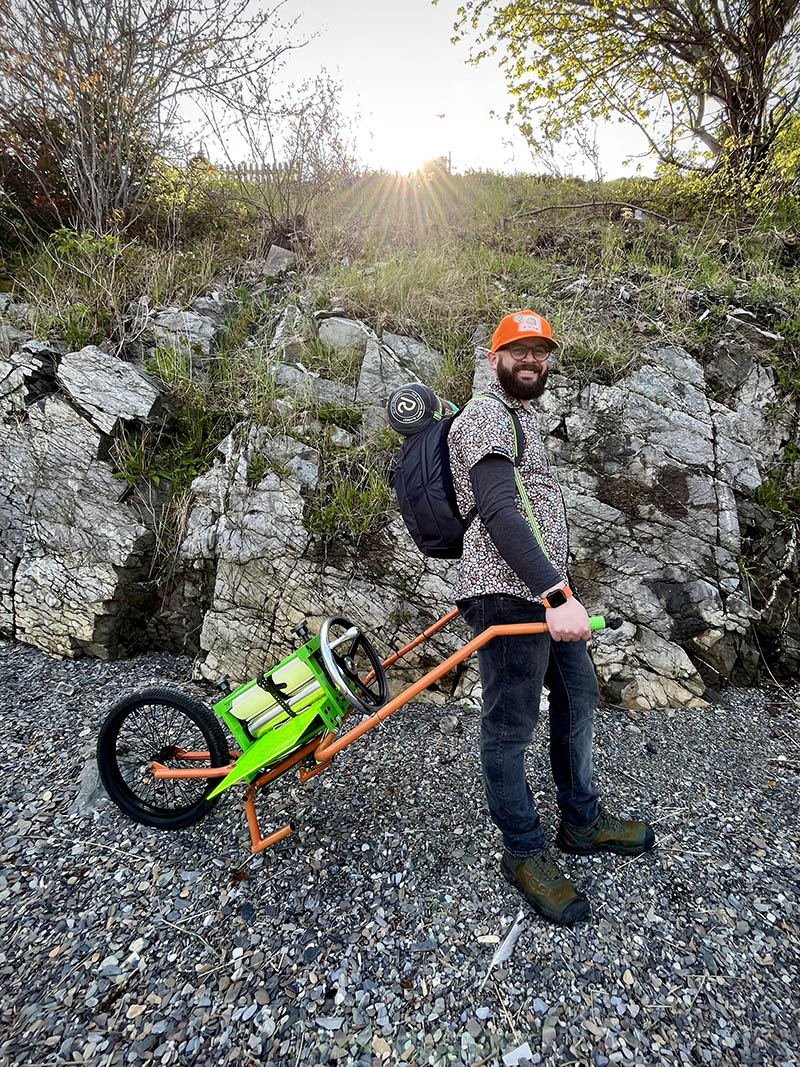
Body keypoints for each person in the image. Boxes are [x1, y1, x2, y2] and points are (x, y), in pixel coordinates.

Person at [447, 310, 655, 926]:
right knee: (510, 729)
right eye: (519, 351)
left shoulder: (524, 421)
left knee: (578, 696)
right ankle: (523, 852)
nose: (532, 361)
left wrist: (557, 593)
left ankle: (581, 823)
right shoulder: (484, 415)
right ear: (494, 359)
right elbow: (502, 513)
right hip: (506, 596)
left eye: (540, 352)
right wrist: (556, 595)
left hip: (541, 595)